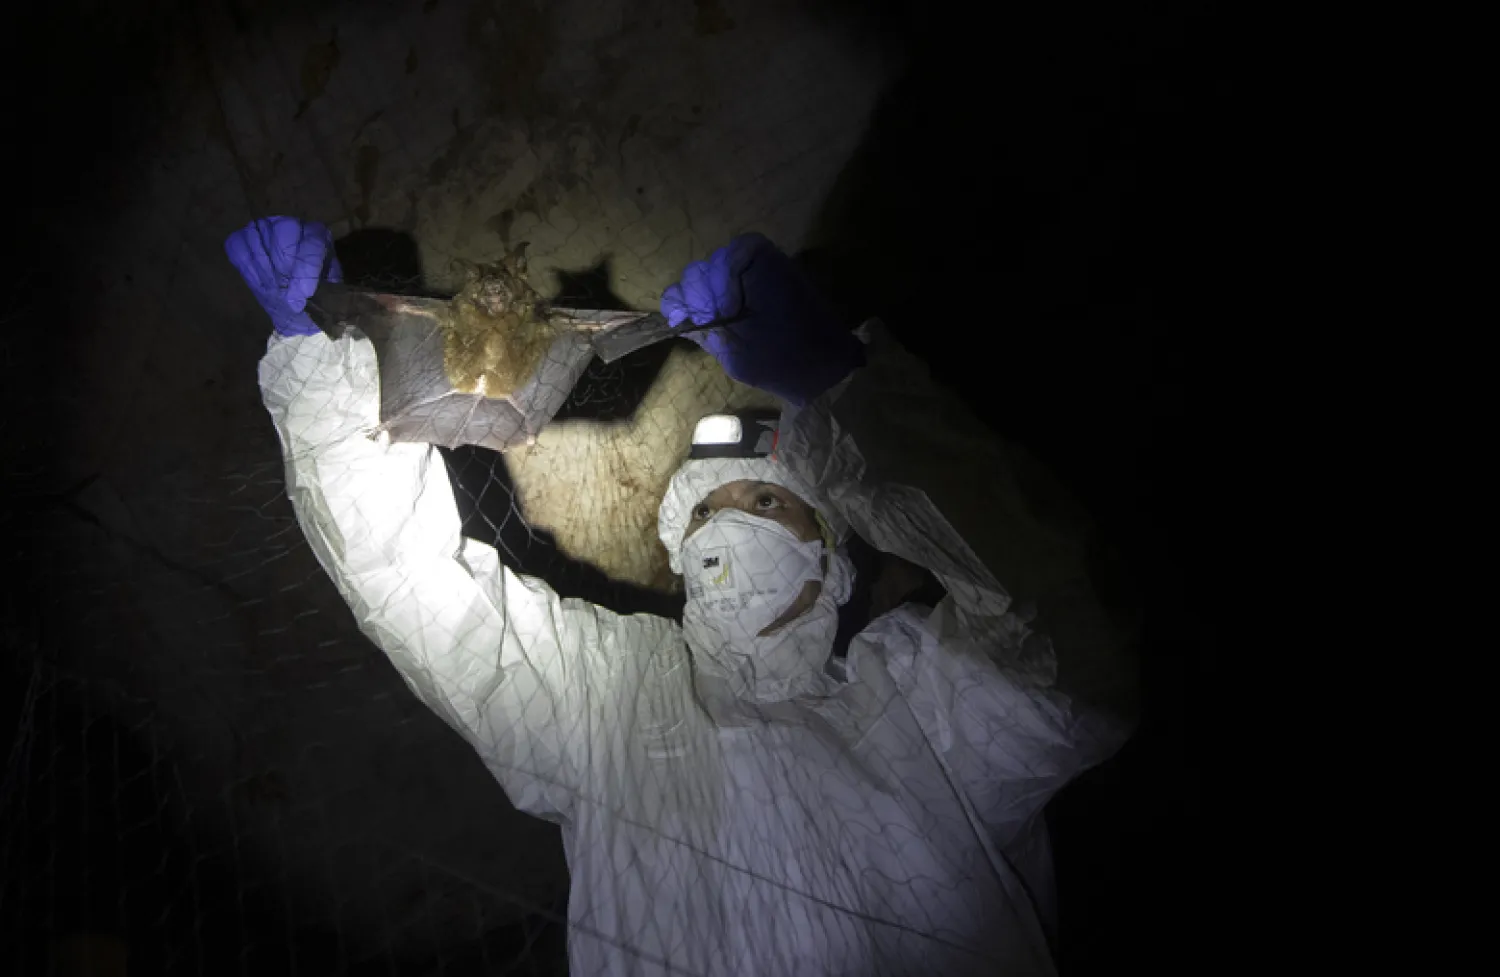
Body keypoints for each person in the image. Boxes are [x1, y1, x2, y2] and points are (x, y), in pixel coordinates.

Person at [226, 217, 1136, 977]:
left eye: (768, 497)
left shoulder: (925, 700)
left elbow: (1076, 644)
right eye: (704, 508)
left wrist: (852, 394)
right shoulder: (606, 693)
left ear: (835, 552)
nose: (729, 521)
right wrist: (330, 369)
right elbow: (416, 584)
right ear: (676, 547)